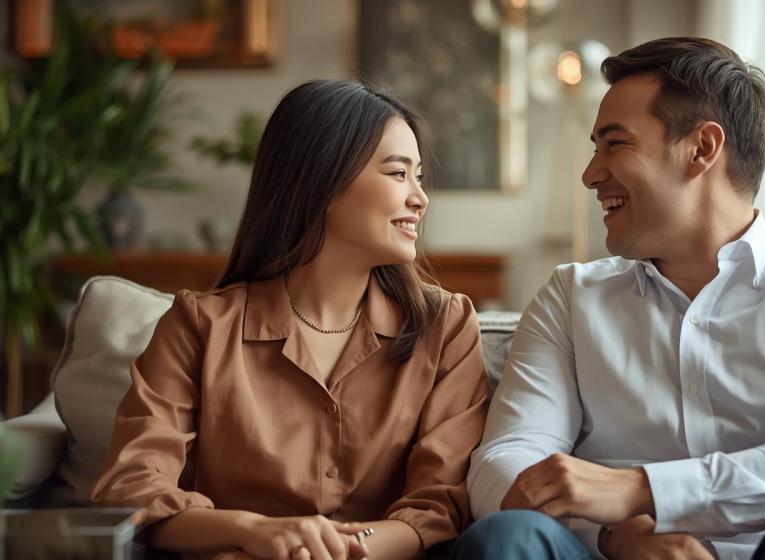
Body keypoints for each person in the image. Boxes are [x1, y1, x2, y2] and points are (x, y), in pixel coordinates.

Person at [456, 38, 765, 560]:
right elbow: (505, 462)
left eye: (614, 144)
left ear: (702, 148)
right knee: (505, 539)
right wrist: (610, 532)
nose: (590, 174)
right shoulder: (570, 296)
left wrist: (641, 491)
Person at [92, 80, 491, 560]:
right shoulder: (198, 326)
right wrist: (252, 532)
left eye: (419, 177)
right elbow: (132, 489)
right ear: (322, 180)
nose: (420, 198)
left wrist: (324, 550)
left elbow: (438, 506)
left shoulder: (445, 327)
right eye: (398, 173)